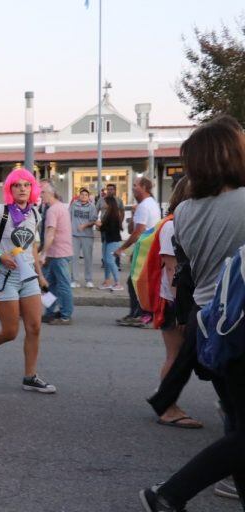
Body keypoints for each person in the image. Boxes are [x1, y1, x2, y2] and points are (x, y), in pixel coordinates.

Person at [140, 116, 245, 511]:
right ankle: (170, 493)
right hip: (239, 320)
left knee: (236, 420)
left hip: (208, 323)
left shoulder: (183, 213)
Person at [0, 168, 55, 393]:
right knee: (10, 332)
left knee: (35, 327)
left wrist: (39, 275)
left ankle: (30, 376)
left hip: (28, 276)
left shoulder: (35, 214)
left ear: (33, 189)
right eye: (17, 185)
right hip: (5, 277)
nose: (22, 189)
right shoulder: (0, 212)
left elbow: (33, 247)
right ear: (10, 189)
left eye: (27, 185)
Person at [150, 177, 203, 430]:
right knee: (175, 356)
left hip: (182, 298)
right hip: (173, 300)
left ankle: (166, 399)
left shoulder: (183, 223)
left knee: (182, 355)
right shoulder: (172, 226)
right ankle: (167, 407)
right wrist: (182, 312)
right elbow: (172, 271)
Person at [115, 177, 161, 327]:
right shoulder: (150, 204)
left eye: (135, 186)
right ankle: (139, 313)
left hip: (145, 249)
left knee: (135, 283)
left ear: (144, 188)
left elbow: (137, 233)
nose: (133, 188)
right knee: (137, 282)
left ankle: (140, 314)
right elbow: (133, 229)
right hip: (149, 248)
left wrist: (122, 248)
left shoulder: (145, 206)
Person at [39, 181, 74, 325]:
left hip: (58, 253)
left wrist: (43, 254)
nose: (41, 196)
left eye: (43, 193)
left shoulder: (52, 210)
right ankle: (49, 312)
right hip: (60, 252)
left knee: (61, 285)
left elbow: (50, 233)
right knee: (49, 284)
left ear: (50, 193)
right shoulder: (61, 207)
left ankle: (65, 315)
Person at [69, 188, 97, 288]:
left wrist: (84, 225)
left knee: (88, 258)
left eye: (86, 195)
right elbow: (68, 218)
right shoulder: (74, 205)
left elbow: (94, 220)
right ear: (79, 195)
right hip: (74, 235)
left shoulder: (92, 206)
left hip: (87, 236)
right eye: (82, 195)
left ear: (88, 196)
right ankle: (74, 280)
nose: (84, 196)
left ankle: (89, 280)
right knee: (74, 259)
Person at [95, 196, 124, 290]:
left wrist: (100, 226)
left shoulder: (113, 215)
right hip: (107, 240)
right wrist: (101, 226)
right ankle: (107, 282)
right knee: (106, 261)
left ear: (110, 204)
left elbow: (110, 229)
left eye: (105, 202)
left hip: (113, 241)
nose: (103, 204)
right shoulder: (108, 213)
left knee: (110, 261)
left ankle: (118, 283)